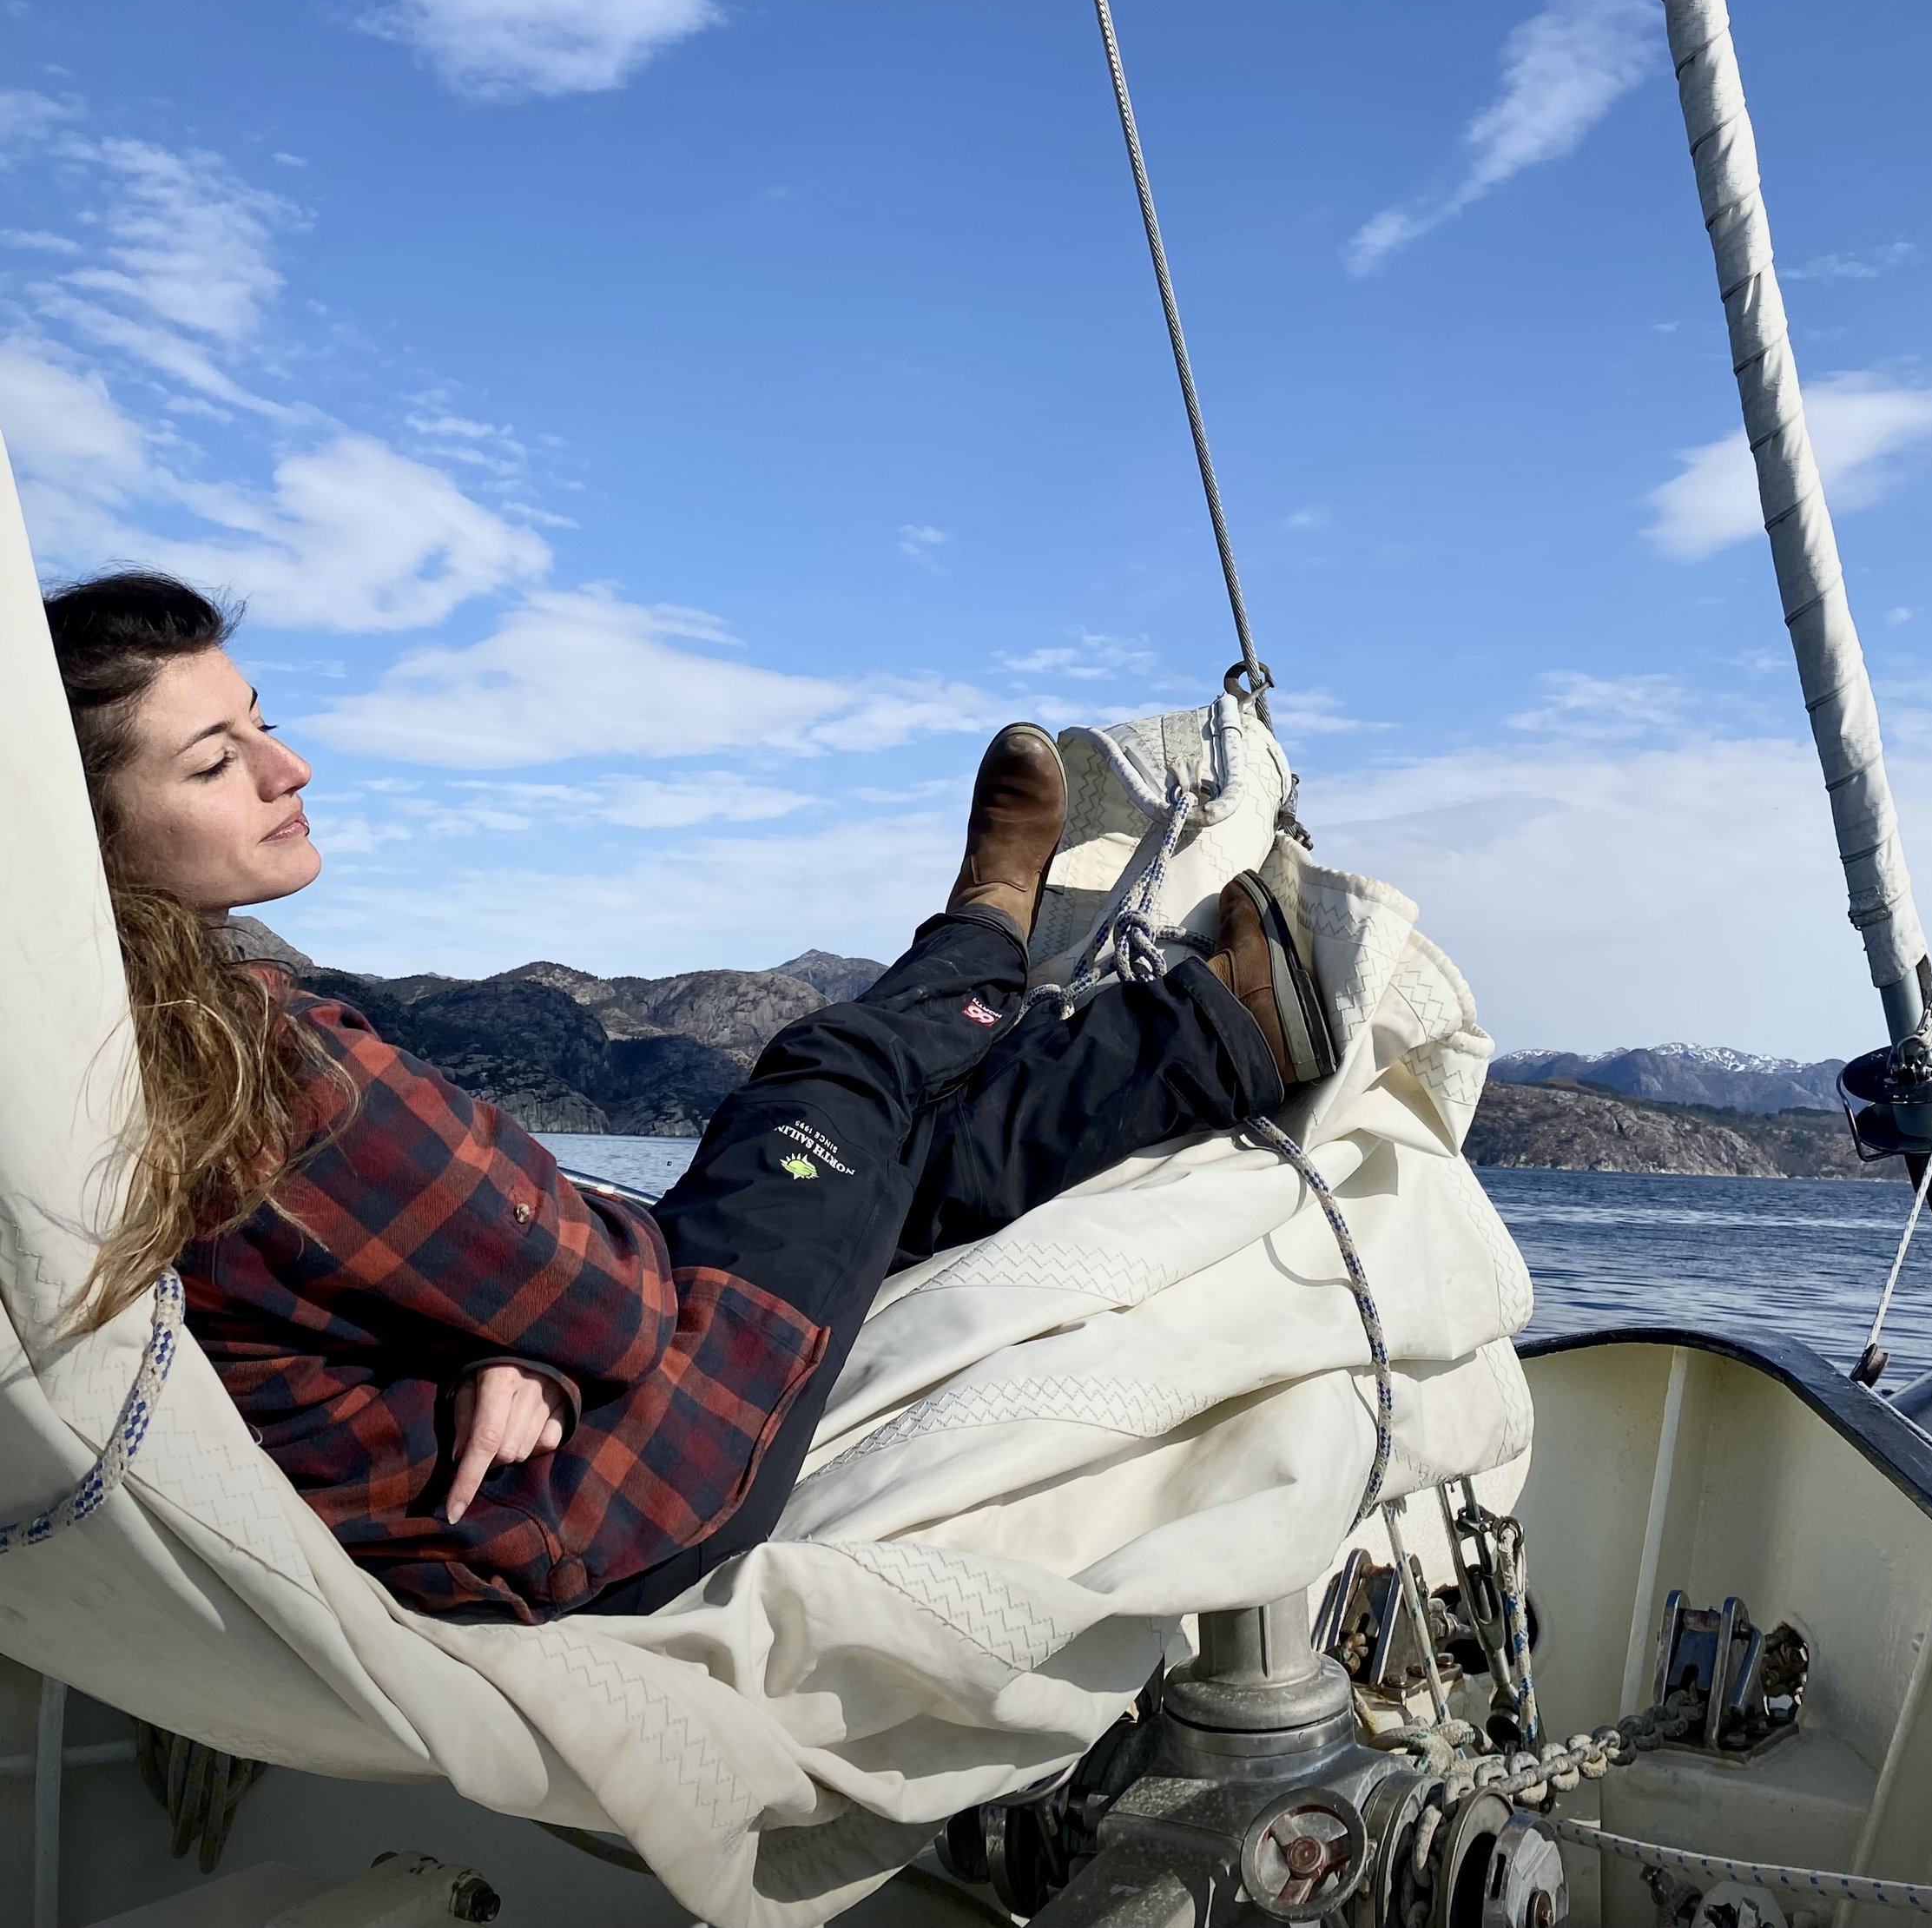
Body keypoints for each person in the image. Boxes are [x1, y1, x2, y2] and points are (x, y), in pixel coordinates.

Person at [44, 571, 1334, 1624]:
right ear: (80, 832)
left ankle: (1118, 996)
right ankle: (1021, 948)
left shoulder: (75, 1056)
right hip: (604, 1507)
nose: (293, 766)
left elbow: (316, 1302)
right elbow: (616, 1306)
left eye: (264, 717)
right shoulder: (254, 1070)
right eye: (218, 762)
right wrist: (537, 1332)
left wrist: (492, 1329)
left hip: (431, 1516)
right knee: (827, 1081)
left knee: (873, 1167)